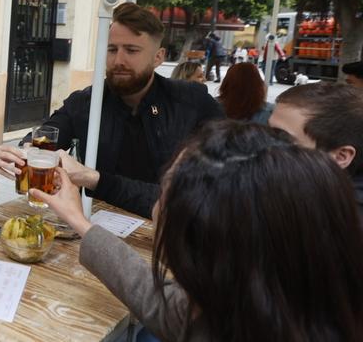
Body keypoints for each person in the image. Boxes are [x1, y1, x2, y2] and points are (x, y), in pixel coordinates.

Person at [33, 121, 363, 341]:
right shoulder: (261, 299)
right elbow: (160, 301)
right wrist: (80, 222)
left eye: (166, 194)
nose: (156, 205)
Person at [0, 2, 224, 218]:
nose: (118, 60)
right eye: (112, 49)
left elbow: (218, 186)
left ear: (158, 57)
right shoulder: (88, 102)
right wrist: (24, 152)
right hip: (97, 230)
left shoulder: (191, 102)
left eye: (131, 50)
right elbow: (47, 135)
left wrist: (94, 179)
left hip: (174, 233)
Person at [269, 83, 363, 216]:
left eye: (283, 138)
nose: (264, 143)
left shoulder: (337, 220)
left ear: (341, 156)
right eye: (268, 132)